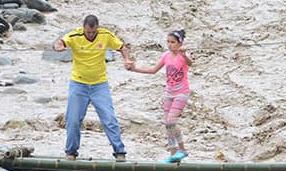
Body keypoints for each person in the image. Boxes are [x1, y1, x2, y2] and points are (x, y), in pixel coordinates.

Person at [53, 15, 134, 161]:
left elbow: (123, 48)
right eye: (88, 32)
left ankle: (119, 152)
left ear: (97, 28)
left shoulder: (105, 35)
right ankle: (71, 152)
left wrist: (127, 59)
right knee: (73, 119)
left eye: (93, 32)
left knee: (109, 118)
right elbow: (60, 43)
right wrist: (59, 47)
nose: (91, 34)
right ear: (83, 28)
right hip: (78, 84)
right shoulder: (74, 35)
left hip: (99, 84)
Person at [126, 29, 192, 163]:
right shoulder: (166, 56)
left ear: (180, 43)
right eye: (168, 42)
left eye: (173, 42)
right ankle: (174, 154)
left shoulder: (183, 55)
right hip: (169, 93)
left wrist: (184, 54)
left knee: (171, 121)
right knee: (168, 124)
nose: (170, 45)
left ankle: (182, 149)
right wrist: (134, 69)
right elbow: (153, 70)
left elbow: (190, 63)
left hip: (182, 92)